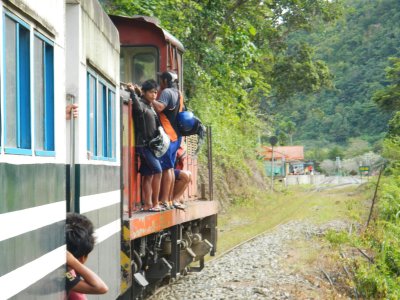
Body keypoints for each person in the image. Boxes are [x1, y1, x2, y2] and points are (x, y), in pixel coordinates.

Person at [128, 79, 164, 212]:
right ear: (144, 92)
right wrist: (132, 92)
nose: (154, 95)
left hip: (150, 146)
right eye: (151, 92)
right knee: (158, 171)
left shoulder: (150, 106)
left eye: (155, 93)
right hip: (143, 145)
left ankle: (148, 203)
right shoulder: (142, 104)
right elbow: (137, 109)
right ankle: (155, 203)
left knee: (148, 175)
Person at [152, 71, 182, 210]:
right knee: (169, 168)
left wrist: (148, 97)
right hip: (176, 136)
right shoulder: (179, 93)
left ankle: (163, 200)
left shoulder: (166, 92)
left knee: (165, 169)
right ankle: (168, 200)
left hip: (167, 136)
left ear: (165, 80)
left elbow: (159, 107)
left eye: (161, 79)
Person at [66, 213, 108, 299]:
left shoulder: (67, 275)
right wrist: (74, 262)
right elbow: (101, 288)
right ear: (82, 259)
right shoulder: (65, 276)